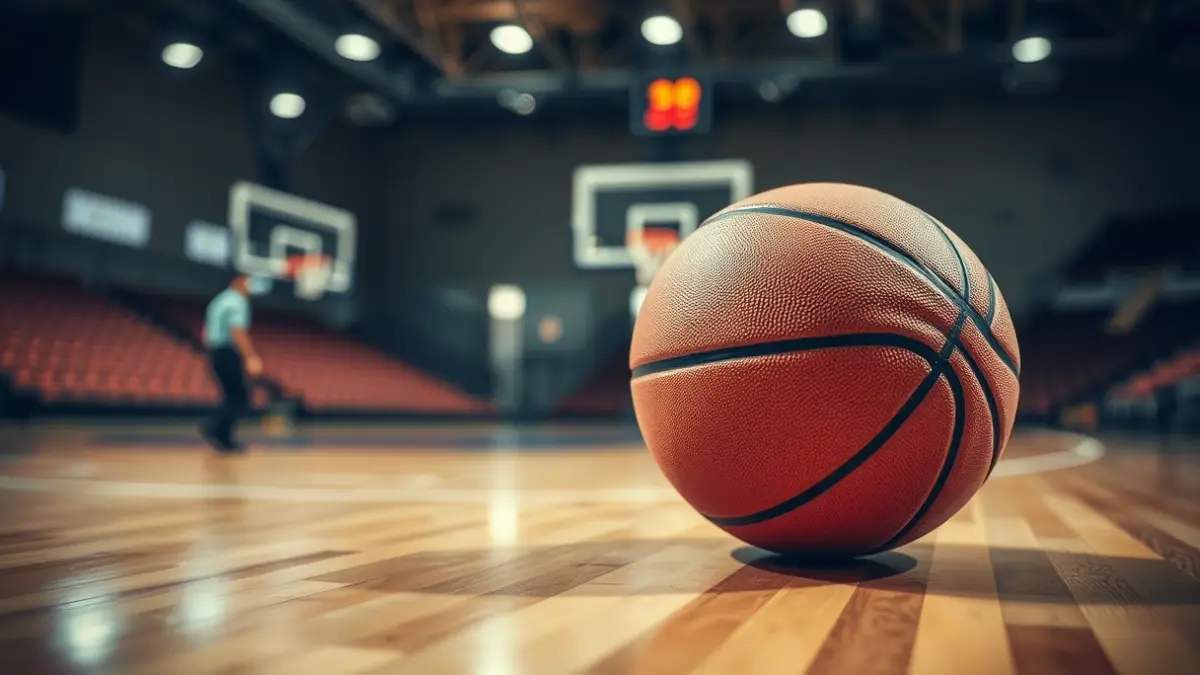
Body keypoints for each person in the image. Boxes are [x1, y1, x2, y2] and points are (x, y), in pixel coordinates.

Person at [200, 272, 269, 452]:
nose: (250, 286)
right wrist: (250, 356)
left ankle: (221, 434)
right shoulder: (237, 301)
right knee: (239, 397)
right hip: (227, 351)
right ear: (238, 281)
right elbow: (237, 330)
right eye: (248, 281)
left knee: (231, 396)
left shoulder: (218, 301)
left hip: (215, 351)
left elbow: (205, 331)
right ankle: (217, 429)